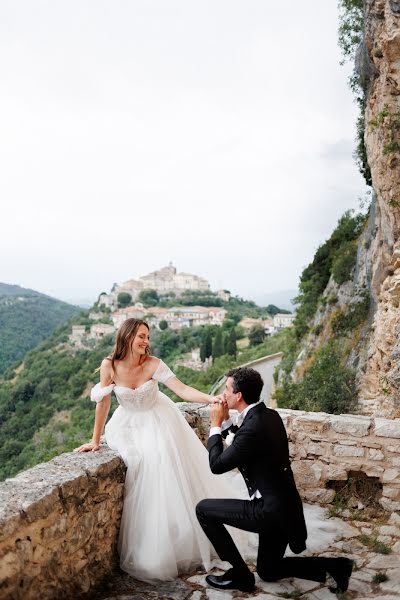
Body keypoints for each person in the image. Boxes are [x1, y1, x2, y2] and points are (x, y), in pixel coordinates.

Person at [74, 318, 247, 583]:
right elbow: (103, 403)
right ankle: (154, 545)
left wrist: (210, 398)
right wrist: (96, 440)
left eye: (148, 337)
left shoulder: (154, 364)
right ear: (128, 336)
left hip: (159, 421)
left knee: (162, 468)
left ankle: (181, 537)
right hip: (128, 424)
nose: (146, 342)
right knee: (140, 466)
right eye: (141, 336)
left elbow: (182, 389)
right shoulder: (109, 365)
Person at [196, 367, 354, 593]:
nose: (223, 393)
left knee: (203, 510)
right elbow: (242, 443)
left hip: (268, 511)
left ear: (238, 395)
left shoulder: (252, 428)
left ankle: (240, 575)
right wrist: (227, 423)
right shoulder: (268, 416)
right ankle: (337, 566)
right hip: (285, 507)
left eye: (227, 389)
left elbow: (217, 465)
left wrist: (214, 425)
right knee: (268, 570)